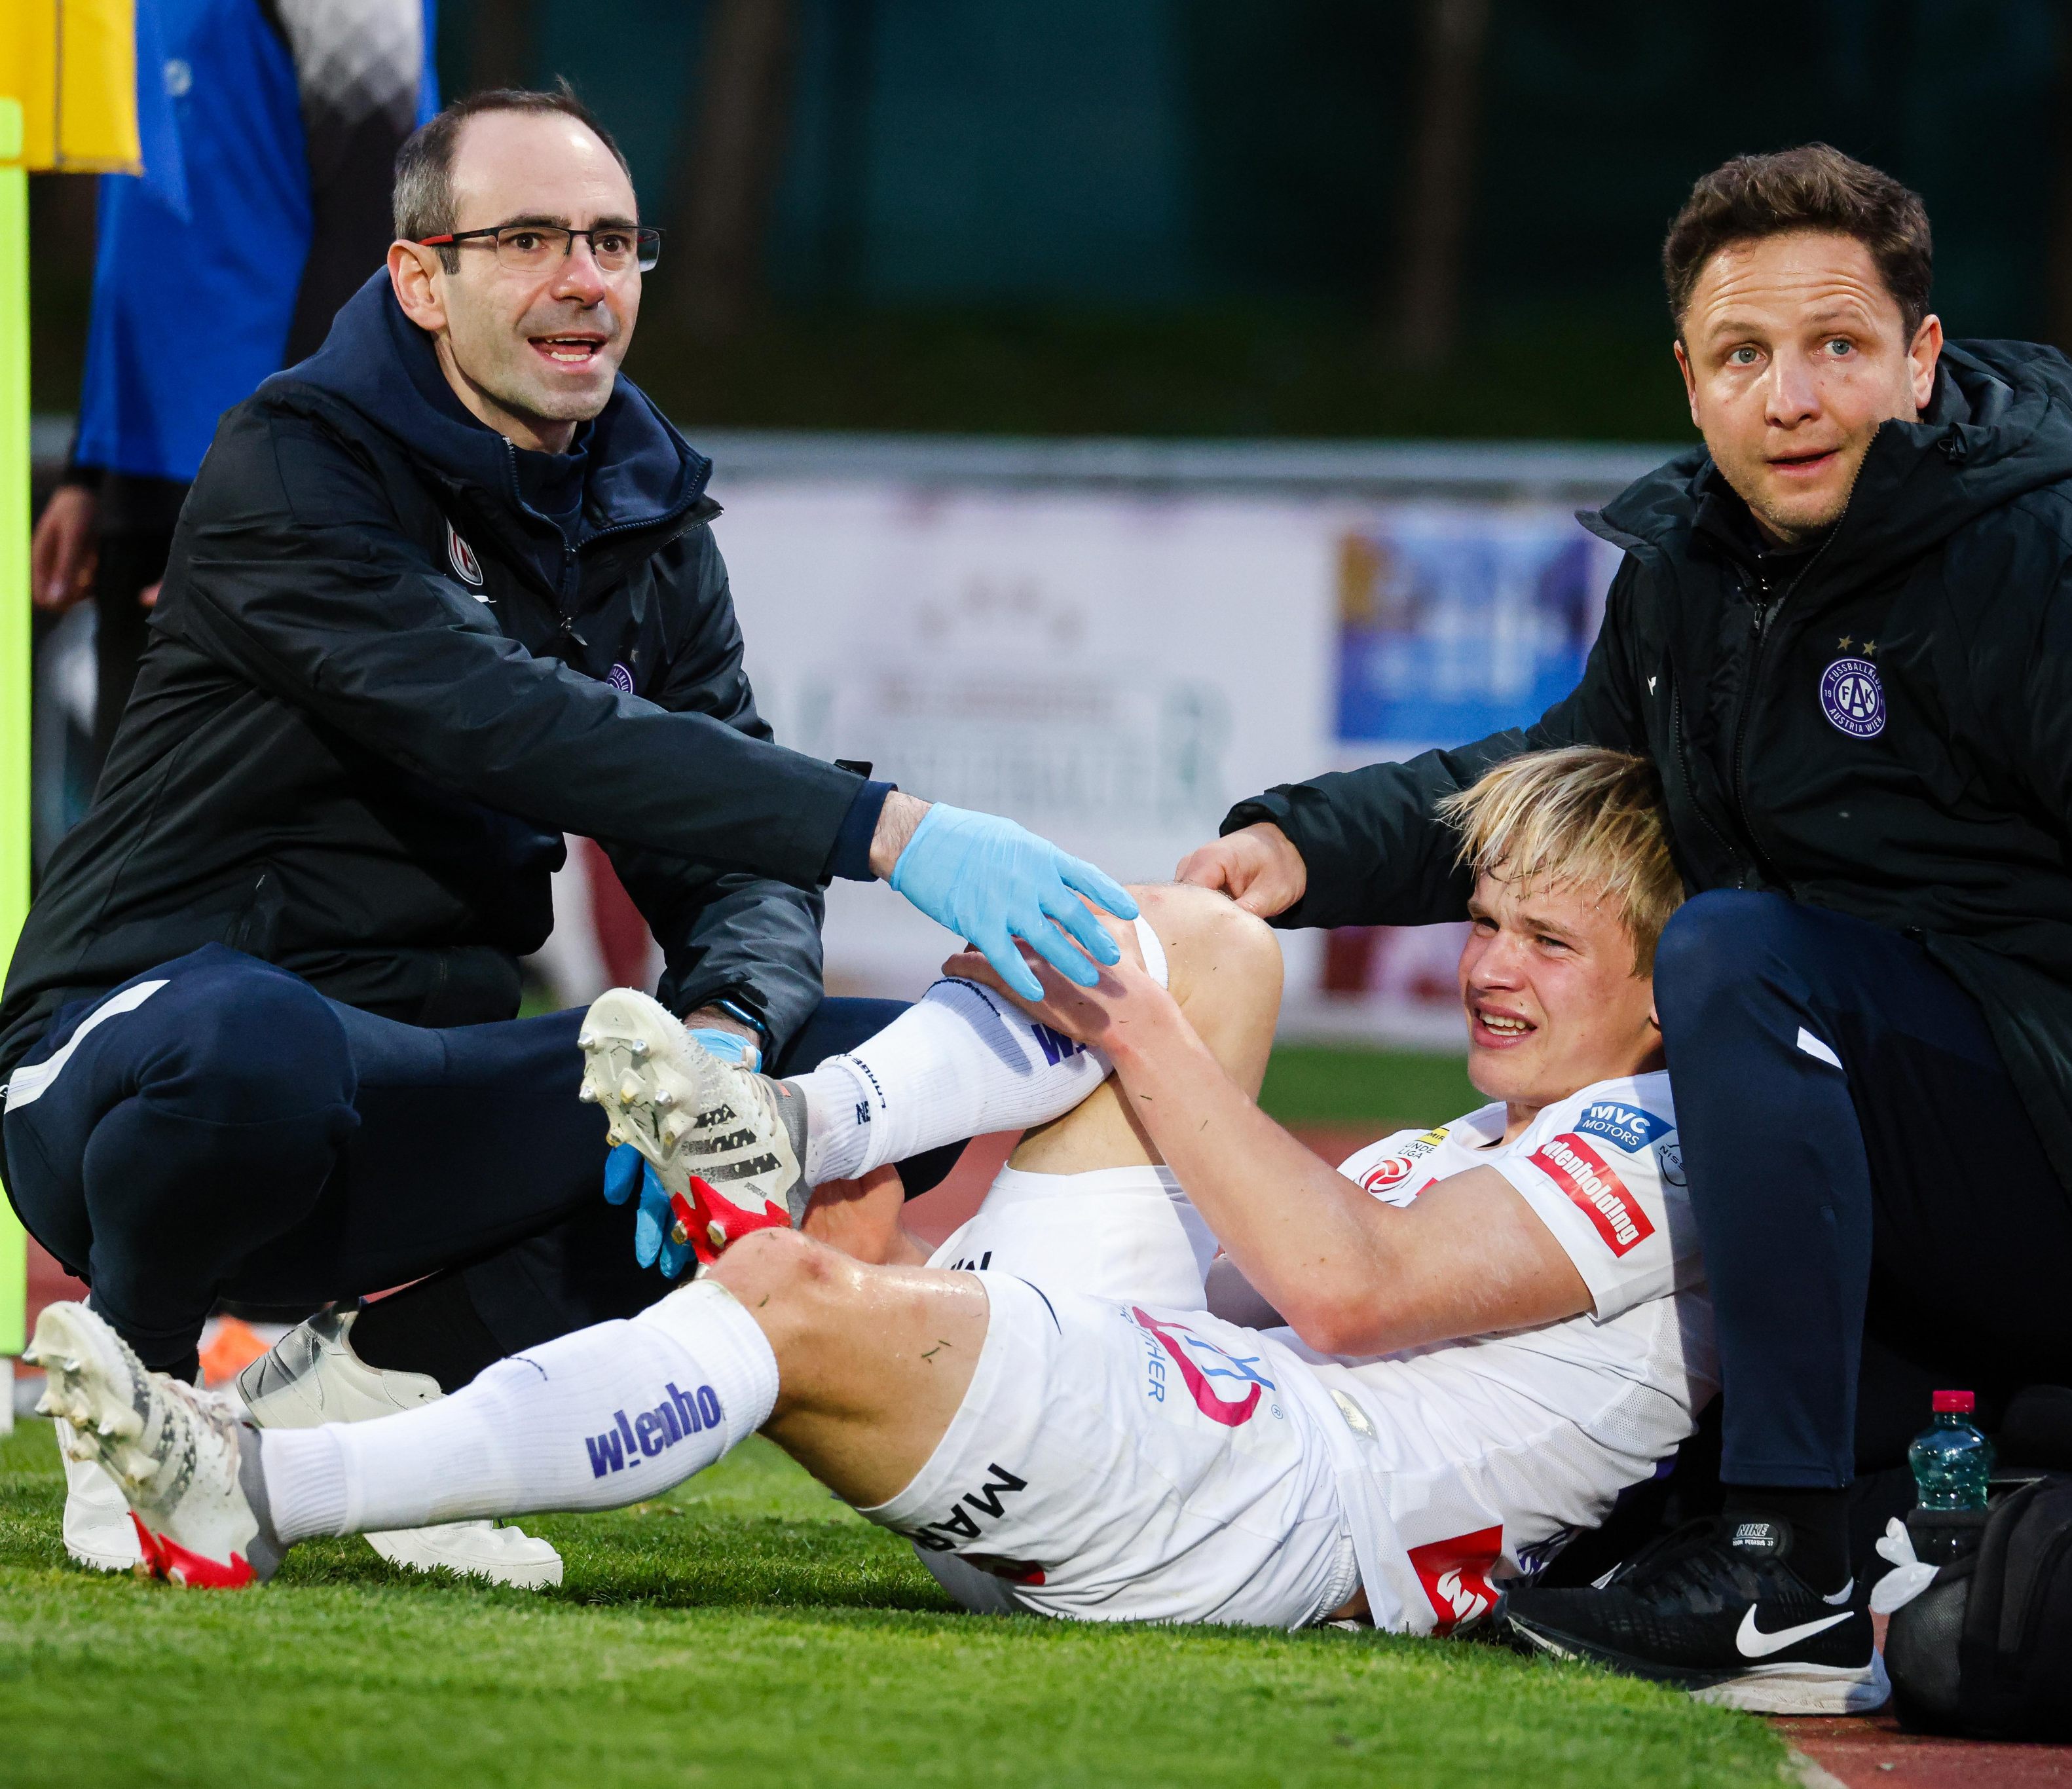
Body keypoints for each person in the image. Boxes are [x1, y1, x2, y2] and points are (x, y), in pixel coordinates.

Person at [1177, 144, 2072, 1689]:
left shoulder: (2067, 561)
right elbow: (1561, 774)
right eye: (1744, 356)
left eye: (1836, 349)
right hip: (1902, 1144)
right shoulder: (1695, 568)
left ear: (1921, 357)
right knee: (1704, 982)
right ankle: (1790, 1489)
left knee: (1734, 958)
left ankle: (1780, 1561)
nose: (1789, 397)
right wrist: (1296, 849)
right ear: (1689, 376)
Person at [34, 751, 1901, 1714]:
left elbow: (1340, 1287)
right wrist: (970, 1246)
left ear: (1667, 1001)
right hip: (1210, 1422)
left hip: (1266, 1512)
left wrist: (1121, 1054)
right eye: (1483, 921)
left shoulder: (1666, 1130)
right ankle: (802, 1117)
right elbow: (1270, 1281)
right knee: (1214, 939)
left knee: (790, 1295)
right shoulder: (1504, 1124)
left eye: (1545, 943)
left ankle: (256, 1484)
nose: (1485, 965)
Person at [0, 88, 1136, 1583]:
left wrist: (727, 1037)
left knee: (836, 1077)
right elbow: (507, 721)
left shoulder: (649, 513)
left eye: (610, 240)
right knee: (259, 1038)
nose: (583, 279)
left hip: (417, 1095)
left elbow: (722, 837)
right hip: (130, 1067)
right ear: (423, 278)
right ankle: (135, 1412)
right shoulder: (296, 465)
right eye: (527, 239)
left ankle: (368, 1409)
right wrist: (889, 826)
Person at [32, 0, 439, 759]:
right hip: (149, 471)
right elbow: (149, 221)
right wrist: (93, 465)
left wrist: (284, 499)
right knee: (140, 850)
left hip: (272, 493)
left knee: (262, 840)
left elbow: (379, 231)